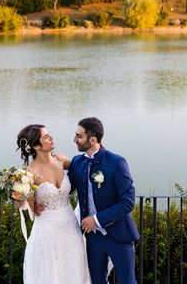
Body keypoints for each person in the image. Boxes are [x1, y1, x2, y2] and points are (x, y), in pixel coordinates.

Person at [67, 117, 139, 284]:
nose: (74, 140)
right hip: (93, 238)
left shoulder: (116, 162)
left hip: (120, 236)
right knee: (97, 281)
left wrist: (97, 220)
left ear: (93, 139)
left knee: (127, 281)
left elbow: (128, 202)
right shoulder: (77, 163)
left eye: (79, 136)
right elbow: (63, 191)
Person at [16, 124, 91, 283]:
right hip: (47, 232)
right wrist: (23, 201)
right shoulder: (28, 173)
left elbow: (88, 166)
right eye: (46, 137)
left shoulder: (61, 160)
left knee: (73, 269)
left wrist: (99, 151)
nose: (51, 138)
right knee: (49, 272)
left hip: (70, 228)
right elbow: (21, 203)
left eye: (49, 135)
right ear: (36, 146)